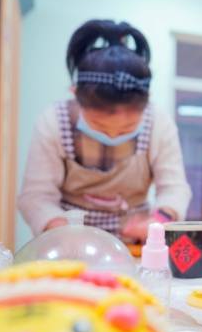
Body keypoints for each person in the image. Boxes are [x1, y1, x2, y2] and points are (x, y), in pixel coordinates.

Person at [18, 20, 191, 241]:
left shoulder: (158, 123)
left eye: (128, 128)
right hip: (69, 243)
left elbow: (175, 189)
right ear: (75, 95)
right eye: (99, 126)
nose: (112, 135)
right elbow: (36, 196)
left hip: (135, 245)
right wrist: (61, 228)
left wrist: (157, 222)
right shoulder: (54, 122)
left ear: (146, 105)